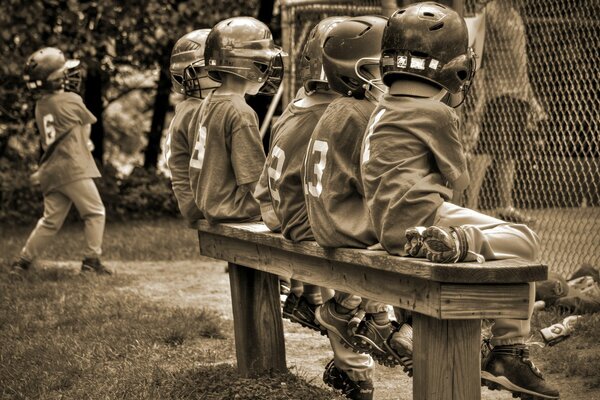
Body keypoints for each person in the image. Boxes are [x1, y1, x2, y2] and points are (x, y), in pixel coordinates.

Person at [360, 3, 558, 399]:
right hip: (424, 218)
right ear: (454, 68)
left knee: (507, 254)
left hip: (388, 225)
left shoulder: (381, 107)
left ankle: (458, 250)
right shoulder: (435, 112)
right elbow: (460, 179)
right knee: (525, 242)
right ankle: (507, 351)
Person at [255, 17, 376, 400]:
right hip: (307, 223)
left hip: (277, 212)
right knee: (364, 249)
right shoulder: (343, 114)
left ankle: (318, 303)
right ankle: (356, 369)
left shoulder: (295, 107)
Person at [302, 15, 413, 378]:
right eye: (381, 70)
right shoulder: (366, 115)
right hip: (344, 225)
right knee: (415, 235)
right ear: (355, 73)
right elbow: (378, 187)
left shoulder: (340, 107)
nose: (391, 78)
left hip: (329, 220)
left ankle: (357, 311)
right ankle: (393, 324)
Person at [10, 47, 110, 276]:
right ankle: (91, 261)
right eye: (62, 73)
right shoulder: (72, 99)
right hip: (72, 168)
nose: (68, 75)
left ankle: (22, 262)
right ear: (53, 80)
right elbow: (86, 125)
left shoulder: (40, 106)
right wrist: (86, 143)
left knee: (50, 221)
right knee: (95, 212)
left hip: (51, 171)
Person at [188, 17, 284, 223]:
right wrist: (275, 213)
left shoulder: (207, 102)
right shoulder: (240, 112)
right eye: (263, 63)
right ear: (248, 65)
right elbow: (254, 178)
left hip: (210, 204)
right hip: (235, 209)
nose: (268, 69)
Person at [471, 0, 546, 223]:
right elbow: (478, 55)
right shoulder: (490, 11)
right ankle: (471, 206)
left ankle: (505, 206)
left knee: (510, 153)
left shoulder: (515, 13)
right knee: (486, 149)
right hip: (498, 90)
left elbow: (520, 61)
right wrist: (479, 94)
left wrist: (531, 98)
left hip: (519, 92)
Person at [165, 29, 220, 223]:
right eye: (211, 70)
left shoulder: (187, 108)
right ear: (189, 74)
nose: (220, 75)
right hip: (200, 200)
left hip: (192, 199)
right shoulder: (198, 111)